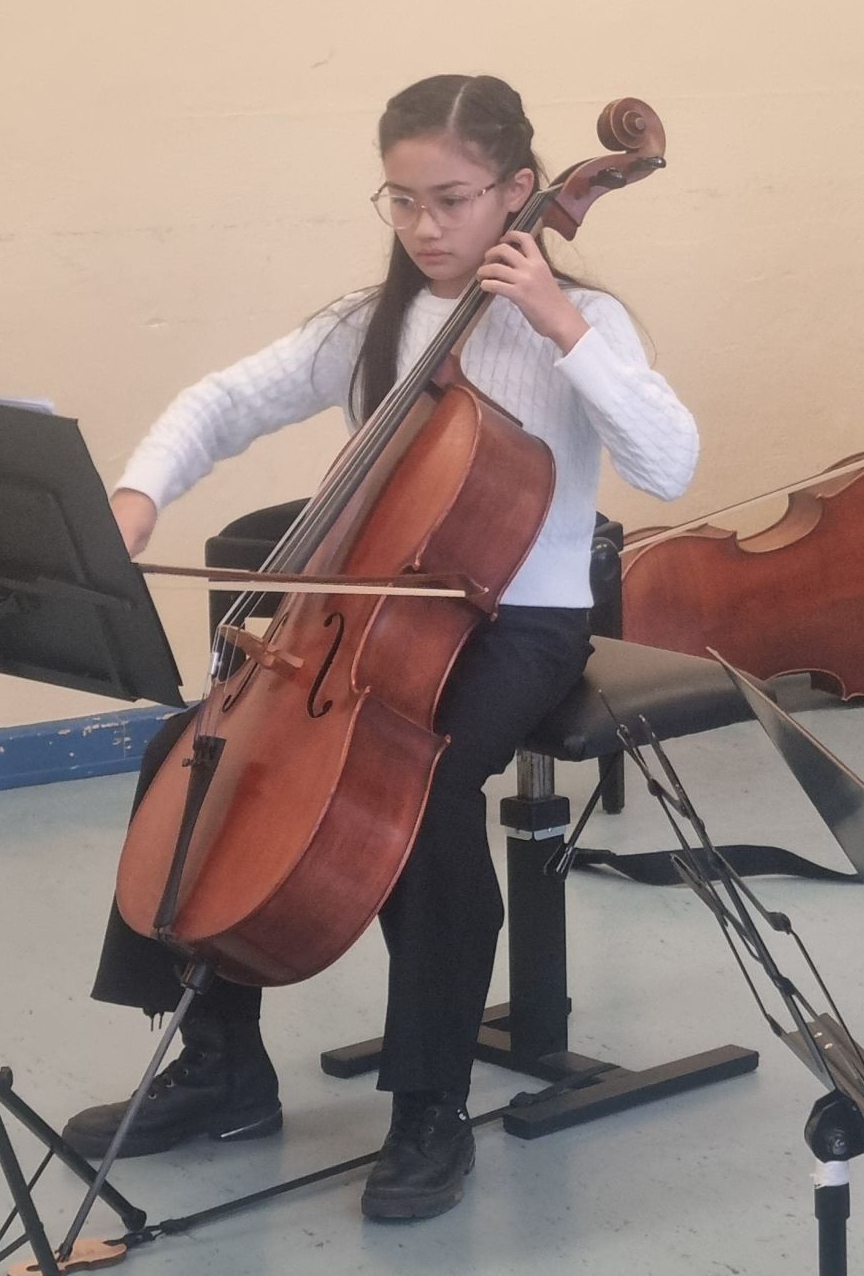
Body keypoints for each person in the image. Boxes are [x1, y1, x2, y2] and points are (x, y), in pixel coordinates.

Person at [60, 74, 700, 1222]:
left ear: (519, 190)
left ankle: (429, 1105)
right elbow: (221, 401)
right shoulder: (375, 323)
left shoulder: (586, 324)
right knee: (188, 750)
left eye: (452, 200)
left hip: (524, 620)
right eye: (401, 201)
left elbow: (669, 463)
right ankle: (221, 1066)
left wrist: (560, 326)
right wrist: (138, 496)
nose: (424, 227)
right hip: (374, 612)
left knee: (426, 793)